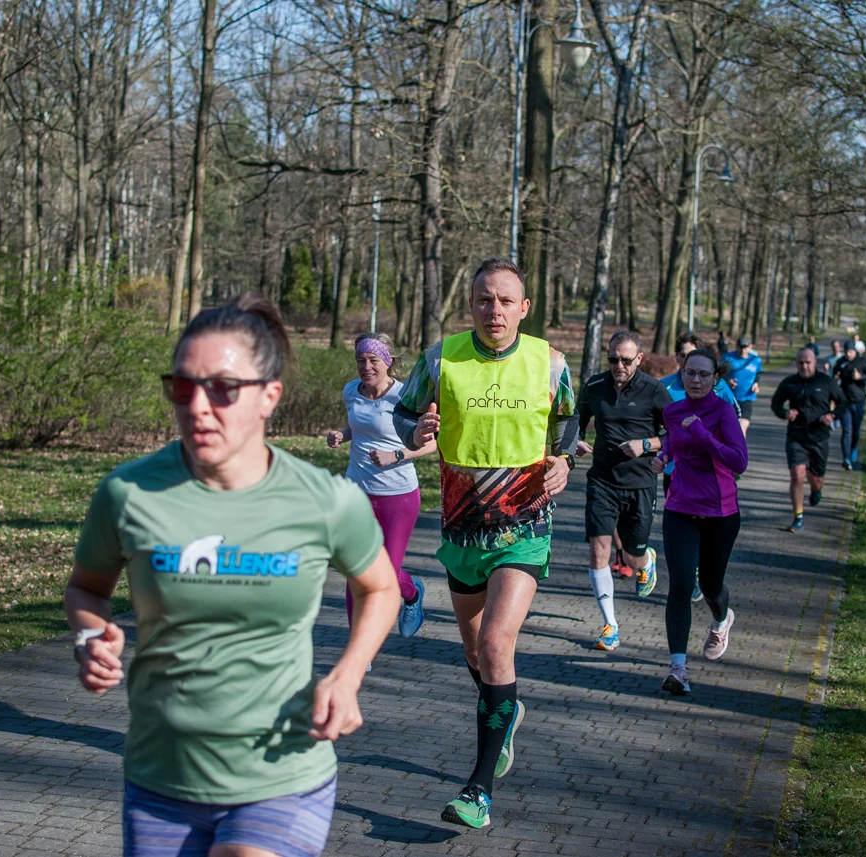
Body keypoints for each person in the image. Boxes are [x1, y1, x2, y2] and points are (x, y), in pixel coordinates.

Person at [65, 294, 402, 857]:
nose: (198, 406)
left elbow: (381, 587)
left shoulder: (324, 500)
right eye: (182, 387)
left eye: (222, 388)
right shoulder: (128, 494)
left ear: (270, 395)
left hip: (283, 769)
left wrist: (347, 677)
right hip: (161, 775)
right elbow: (86, 587)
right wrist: (89, 633)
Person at [393, 258, 578, 830]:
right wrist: (415, 430)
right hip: (462, 526)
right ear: (471, 304)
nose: (493, 310)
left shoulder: (550, 362)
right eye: (483, 300)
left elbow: (568, 422)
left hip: (524, 525)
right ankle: (507, 708)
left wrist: (564, 460)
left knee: (497, 644)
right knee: (476, 655)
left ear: (524, 308)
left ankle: (478, 790)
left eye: (504, 301)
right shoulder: (439, 358)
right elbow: (402, 414)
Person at [325, 333, 434, 644]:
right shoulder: (351, 391)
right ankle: (359, 648)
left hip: (398, 495)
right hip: (356, 491)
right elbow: (358, 426)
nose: (366, 366)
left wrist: (396, 454)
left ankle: (411, 593)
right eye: (360, 360)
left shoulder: (405, 397)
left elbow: (431, 445)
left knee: (384, 571)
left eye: (373, 360)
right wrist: (341, 435)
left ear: (387, 362)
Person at [650, 347, 747, 695]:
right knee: (679, 585)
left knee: (710, 585)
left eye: (704, 374)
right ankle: (678, 669)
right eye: (690, 372)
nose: (695, 379)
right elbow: (673, 444)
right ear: (682, 373)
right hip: (679, 508)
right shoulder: (672, 411)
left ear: (715, 378)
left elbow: (739, 461)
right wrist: (663, 457)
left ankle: (722, 618)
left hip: (720, 513)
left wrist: (704, 435)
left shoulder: (723, 412)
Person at [574, 330, 669, 652]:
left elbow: (676, 434)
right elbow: (575, 420)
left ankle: (646, 561)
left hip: (640, 482)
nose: (619, 366)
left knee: (632, 554)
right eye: (613, 359)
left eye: (625, 360)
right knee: (599, 549)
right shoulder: (595, 386)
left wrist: (647, 444)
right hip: (602, 480)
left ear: (639, 359)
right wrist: (574, 442)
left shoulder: (654, 390)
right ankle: (610, 625)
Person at [771, 348, 846, 533]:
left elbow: (843, 403)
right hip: (796, 436)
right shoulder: (789, 383)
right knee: (797, 476)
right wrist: (785, 413)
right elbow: (776, 404)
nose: (804, 366)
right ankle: (798, 517)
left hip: (819, 437)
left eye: (808, 362)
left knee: (816, 479)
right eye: (800, 363)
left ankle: (816, 490)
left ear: (815, 362)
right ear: (796, 363)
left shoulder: (826, 382)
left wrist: (832, 415)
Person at [661, 332, 739, 497]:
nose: (688, 360)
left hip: (712, 474)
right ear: (676, 357)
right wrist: (661, 452)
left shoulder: (720, 387)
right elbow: (662, 429)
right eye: (684, 355)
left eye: (693, 354)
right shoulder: (664, 387)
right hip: (675, 473)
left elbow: (736, 418)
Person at [835, 341, 866, 470]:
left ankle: (853, 449)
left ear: (855, 351)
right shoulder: (841, 362)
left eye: (850, 352)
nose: (848, 354)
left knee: (856, 430)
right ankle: (846, 458)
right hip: (845, 402)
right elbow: (834, 376)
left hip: (859, 401)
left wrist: (860, 377)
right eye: (846, 352)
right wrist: (835, 377)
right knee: (846, 430)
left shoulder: (862, 362)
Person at [721, 334, 763, 436]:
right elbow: (719, 374)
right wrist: (727, 380)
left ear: (750, 346)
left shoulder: (755, 360)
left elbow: (758, 373)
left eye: (745, 347)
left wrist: (756, 384)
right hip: (730, 398)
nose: (743, 350)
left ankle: (740, 446)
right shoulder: (727, 358)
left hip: (747, 398)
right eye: (740, 347)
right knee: (729, 429)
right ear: (736, 346)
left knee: (742, 427)